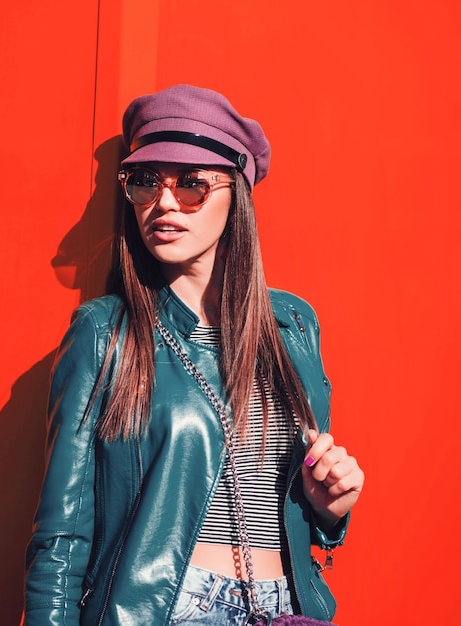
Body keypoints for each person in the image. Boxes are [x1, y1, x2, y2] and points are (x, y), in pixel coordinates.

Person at [24, 84, 364, 626]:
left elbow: (295, 501)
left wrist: (329, 511)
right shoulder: (104, 333)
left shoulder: (294, 325)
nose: (163, 203)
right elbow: (61, 538)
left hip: (287, 607)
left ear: (237, 195)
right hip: (165, 610)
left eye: (191, 185)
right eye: (145, 182)